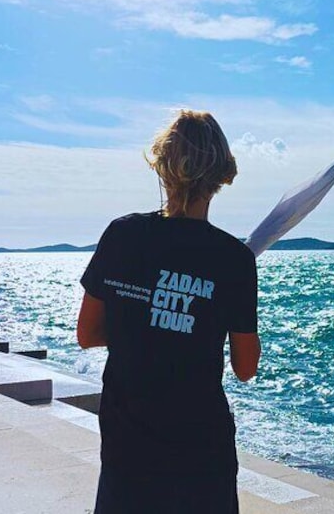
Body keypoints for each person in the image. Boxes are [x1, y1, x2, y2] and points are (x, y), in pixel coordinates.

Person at [77, 109, 261, 513]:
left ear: (163, 166)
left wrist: (140, 326)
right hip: (201, 450)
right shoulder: (235, 259)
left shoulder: (122, 236)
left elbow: (87, 334)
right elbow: (245, 368)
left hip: (129, 446)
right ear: (221, 173)